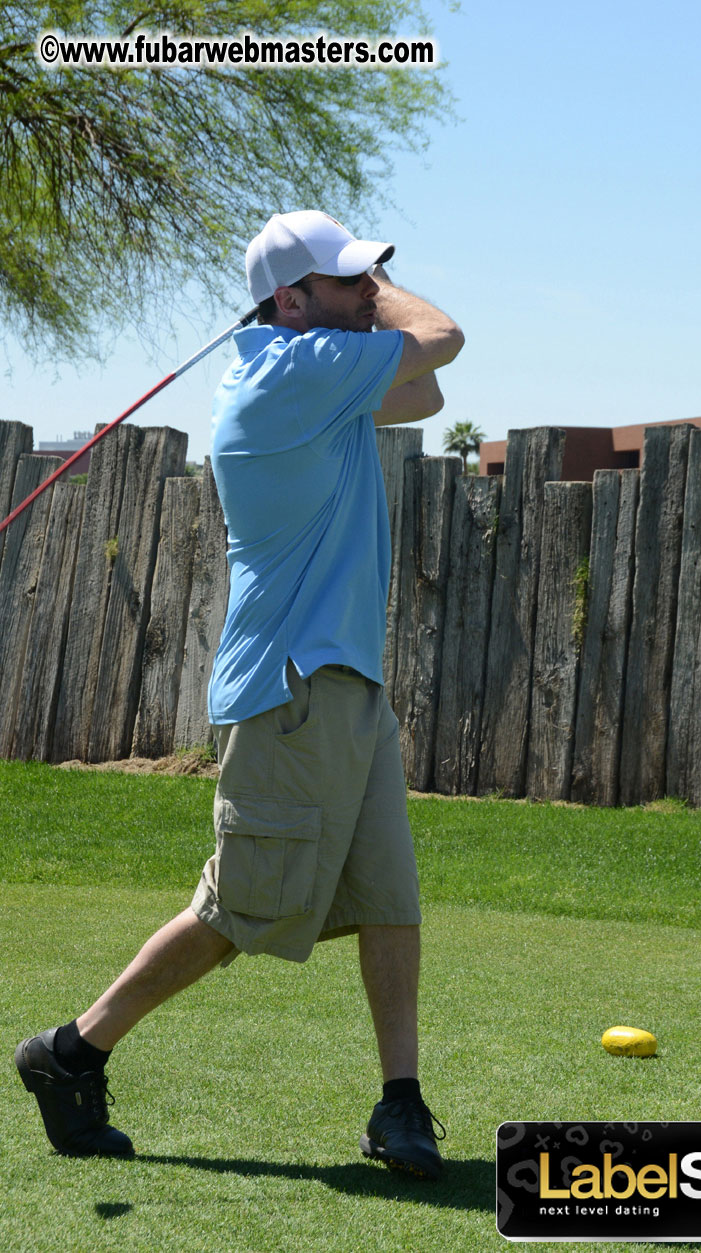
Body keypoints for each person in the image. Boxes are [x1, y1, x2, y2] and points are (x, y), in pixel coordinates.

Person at [15, 209, 464, 1180]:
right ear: (292, 301)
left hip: (347, 684)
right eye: (345, 280)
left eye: (367, 280)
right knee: (235, 914)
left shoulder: (315, 375)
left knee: (390, 897)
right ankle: (72, 1050)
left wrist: (347, 293)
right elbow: (442, 340)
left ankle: (400, 1102)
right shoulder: (285, 377)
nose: (366, 292)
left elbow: (422, 395)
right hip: (293, 689)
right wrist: (375, 300)